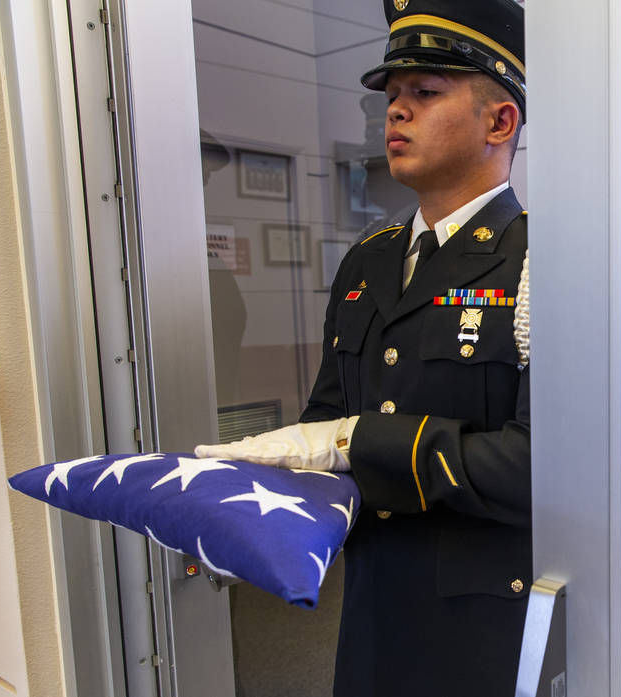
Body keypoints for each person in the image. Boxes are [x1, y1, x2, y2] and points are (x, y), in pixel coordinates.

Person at [197, 1, 531, 694]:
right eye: (392, 95)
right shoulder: (369, 262)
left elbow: (540, 465)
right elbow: (326, 423)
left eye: (425, 92)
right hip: (375, 603)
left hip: (485, 615)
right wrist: (247, 516)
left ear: (499, 122)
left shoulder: (538, 262)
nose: (396, 112)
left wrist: (362, 442)